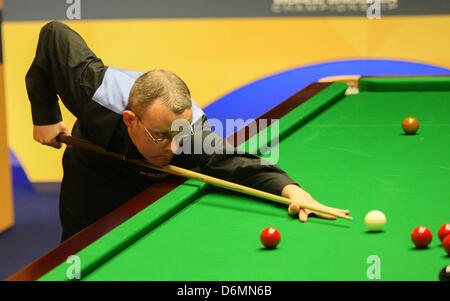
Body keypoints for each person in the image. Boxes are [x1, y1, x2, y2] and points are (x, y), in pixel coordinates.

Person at [26, 21, 350, 242]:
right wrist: (45, 116)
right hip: (92, 172)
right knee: (77, 251)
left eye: (178, 134)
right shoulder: (94, 90)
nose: (173, 147)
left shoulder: (193, 136)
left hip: (148, 186)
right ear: (130, 119)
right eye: (161, 135)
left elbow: (239, 164)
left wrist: (294, 192)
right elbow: (54, 34)